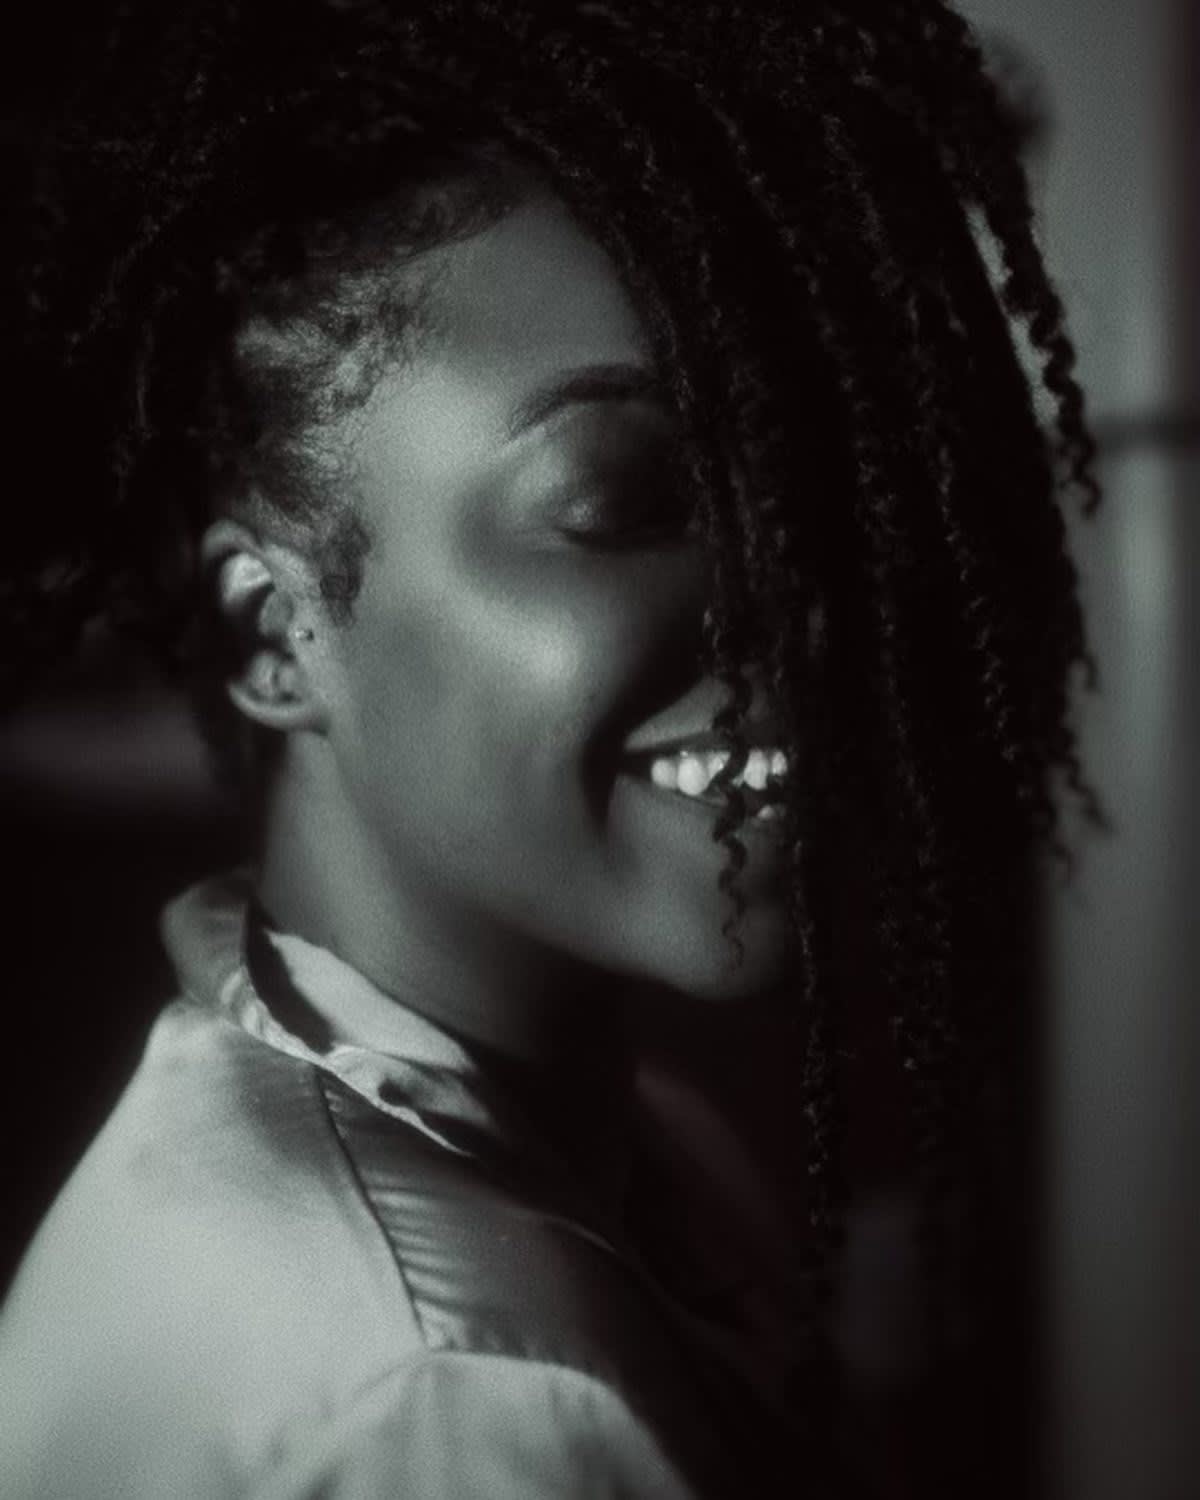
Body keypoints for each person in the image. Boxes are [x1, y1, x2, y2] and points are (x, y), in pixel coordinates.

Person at [0, 2, 1101, 1496]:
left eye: (811, 494)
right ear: (273, 633)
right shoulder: (464, 1393)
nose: (803, 602)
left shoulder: (638, 1152)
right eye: (628, 497)